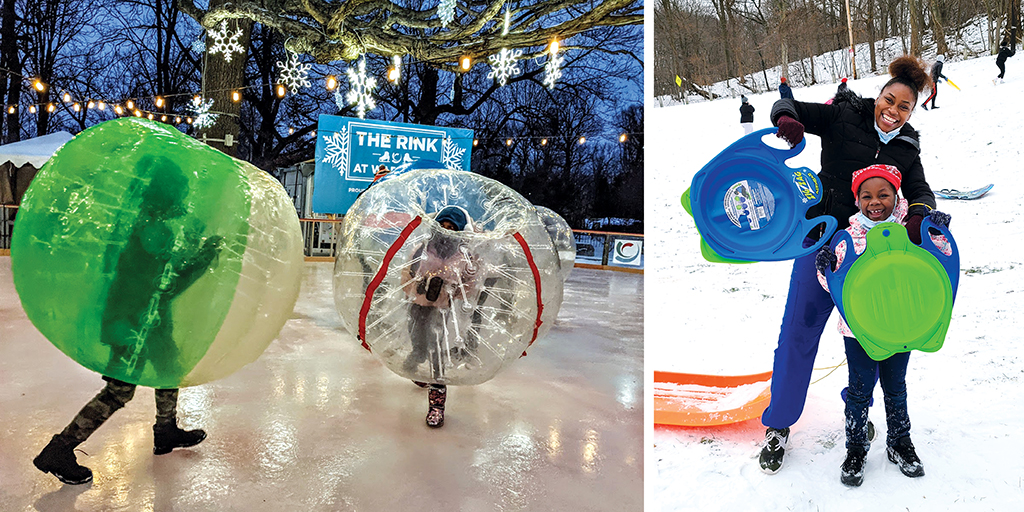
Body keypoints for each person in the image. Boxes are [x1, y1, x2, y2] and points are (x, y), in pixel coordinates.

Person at [758, 55, 937, 474]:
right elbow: (788, 107)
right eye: (889, 100)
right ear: (879, 95)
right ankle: (779, 425)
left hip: (870, 259)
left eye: (904, 107)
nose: (893, 112)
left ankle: (856, 413)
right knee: (798, 335)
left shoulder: (907, 147)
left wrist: (918, 215)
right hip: (820, 242)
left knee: (873, 337)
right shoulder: (844, 116)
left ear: (913, 110)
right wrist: (788, 121)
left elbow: (920, 189)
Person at [33, 157, 222, 485]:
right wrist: (204, 255)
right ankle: (59, 449)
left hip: (148, 319)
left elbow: (160, 271)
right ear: (165, 193)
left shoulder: (149, 219)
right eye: (179, 191)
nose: (184, 197)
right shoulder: (152, 227)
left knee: (167, 368)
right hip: (134, 322)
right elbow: (169, 282)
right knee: (119, 391)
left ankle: (166, 431)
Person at [813, 164, 951, 486]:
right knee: (860, 391)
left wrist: (938, 231)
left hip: (901, 326)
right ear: (858, 200)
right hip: (858, 331)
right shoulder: (849, 237)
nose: (875, 202)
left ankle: (899, 442)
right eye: (867, 196)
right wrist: (825, 267)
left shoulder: (910, 231)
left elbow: (937, 261)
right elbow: (834, 285)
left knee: (895, 387)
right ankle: (856, 448)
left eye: (883, 194)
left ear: (896, 195)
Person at [402, 205, 480, 428]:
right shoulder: (422, 248)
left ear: (457, 231)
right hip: (417, 304)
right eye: (442, 226)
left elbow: (469, 284)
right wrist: (414, 288)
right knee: (418, 341)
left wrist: (451, 290)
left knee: (437, 353)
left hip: (441, 309)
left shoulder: (463, 256)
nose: (446, 231)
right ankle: (417, 357)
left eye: (451, 227)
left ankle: (437, 405)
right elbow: (406, 272)